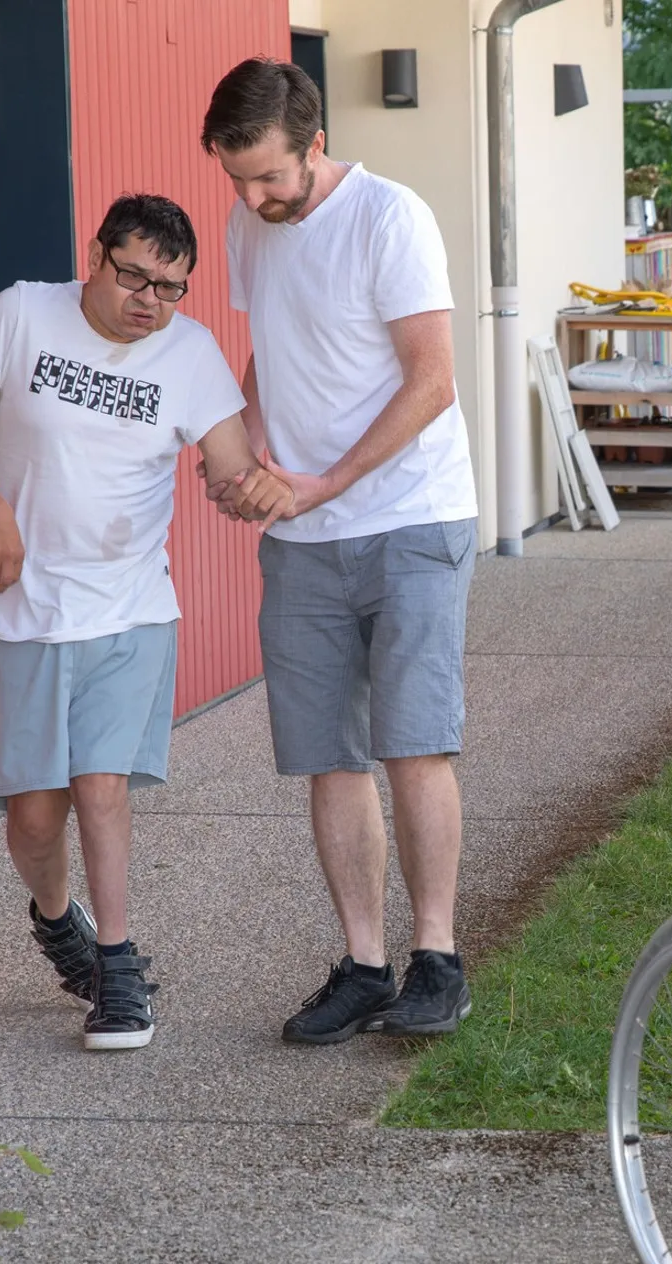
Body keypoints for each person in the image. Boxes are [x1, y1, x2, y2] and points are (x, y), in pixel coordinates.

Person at [0, 194, 285, 1051]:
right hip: (23, 612)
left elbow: (231, 468)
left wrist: (246, 489)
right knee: (34, 820)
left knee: (101, 786)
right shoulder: (21, 316)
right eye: (134, 276)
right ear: (96, 255)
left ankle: (117, 970)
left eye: (171, 287)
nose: (149, 300)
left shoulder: (190, 354)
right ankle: (55, 919)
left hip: (130, 608)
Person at [200, 58, 478, 1047]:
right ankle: (364, 965)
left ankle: (436, 961)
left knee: (413, 743)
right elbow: (271, 353)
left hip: (410, 516)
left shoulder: (390, 218)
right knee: (330, 756)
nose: (252, 196)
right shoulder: (249, 226)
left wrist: (326, 480)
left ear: (313, 144)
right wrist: (238, 451)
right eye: (237, 178)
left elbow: (431, 381)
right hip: (303, 538)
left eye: (269, 175)